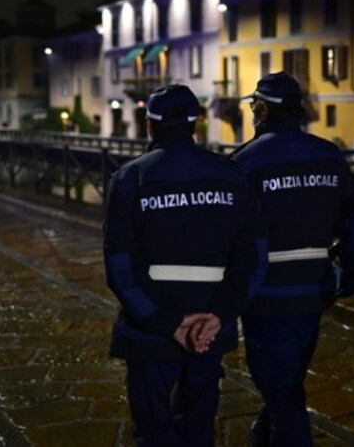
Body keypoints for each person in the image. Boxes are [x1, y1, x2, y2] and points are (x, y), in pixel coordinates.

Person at [102, 84, 268, 446]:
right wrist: (219, 316)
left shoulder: (130, 178)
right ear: (195, 123)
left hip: (149, 332)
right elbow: (253, 258)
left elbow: (119, 269)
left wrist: (168, 323)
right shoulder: (232, 176)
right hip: (209, 331)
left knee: (153, 430)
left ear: (150, 125)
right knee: (198, 428)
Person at [231, 72, 354, 447]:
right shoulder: (329, 155)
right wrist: (350, 279)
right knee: (287, 380)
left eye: (252, 107)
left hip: (266, 297)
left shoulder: (244, 162)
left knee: (280, 389)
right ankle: (262, 436)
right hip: (314, 292)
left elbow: (226, 237)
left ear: (262, 110)